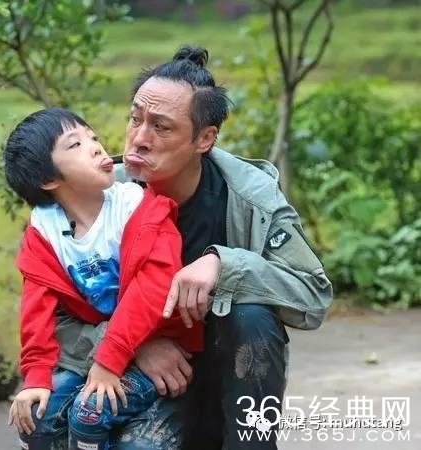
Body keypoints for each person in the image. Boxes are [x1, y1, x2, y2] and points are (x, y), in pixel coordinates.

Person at [52, 46, 333, 449]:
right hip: (144, 380)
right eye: (135, 119)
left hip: (232, 378)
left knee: (251, 317)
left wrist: (225, 265)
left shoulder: (251, 196)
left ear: (204, 138)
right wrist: (130, 344)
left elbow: (313, 295)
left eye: (161, 128)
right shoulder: (97, 196)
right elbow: (51, 314)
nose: (139, 139)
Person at [3, 108, 203, 450]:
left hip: (160, 343)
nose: (96, 146)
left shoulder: (140, 208)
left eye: (93, 137)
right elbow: (36, 312)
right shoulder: (44, 233)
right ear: (49, 180)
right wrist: (36, 376)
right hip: (103, 350)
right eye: (76, 144)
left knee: (90, 414)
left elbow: (154, 288)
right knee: (37, 417)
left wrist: (110, 360)